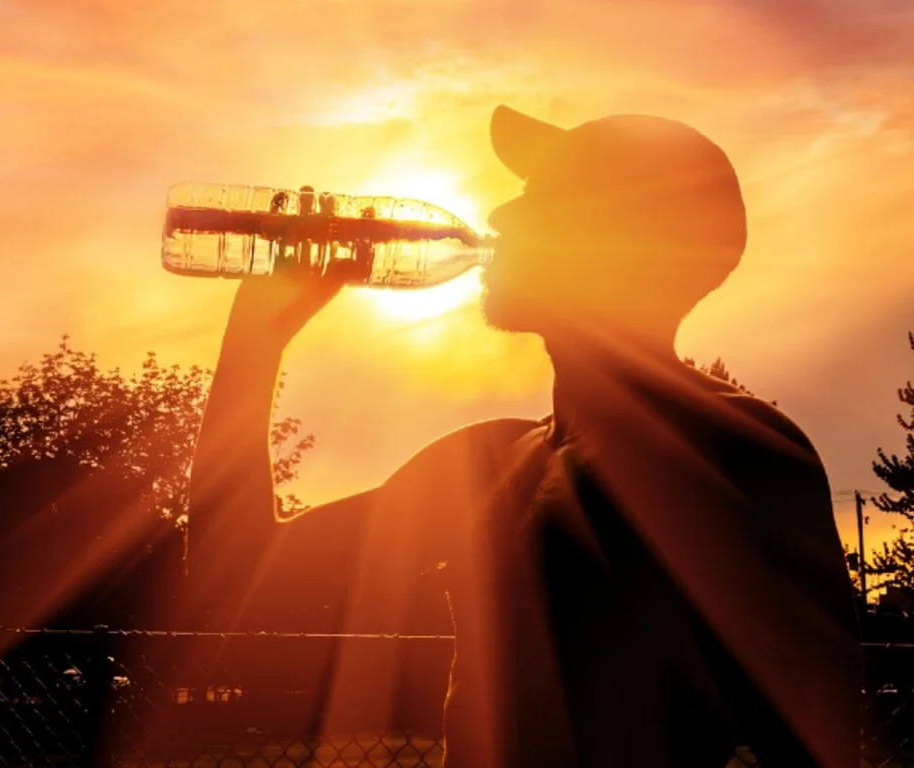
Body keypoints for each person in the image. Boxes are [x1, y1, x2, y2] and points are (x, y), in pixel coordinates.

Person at [186, 106, 862, 767]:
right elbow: (239, 575)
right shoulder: (488, 461)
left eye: (544, 197)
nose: (501, 216)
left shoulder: (732, 454)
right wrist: (257, 338)